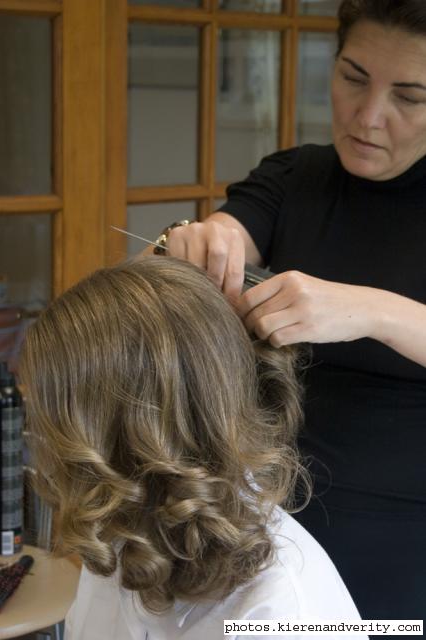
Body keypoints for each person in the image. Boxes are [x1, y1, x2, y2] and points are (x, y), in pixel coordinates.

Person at [152, 0, 426, 627]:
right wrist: (200, 242)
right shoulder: (296, 177)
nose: (368, 115)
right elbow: (228, 233)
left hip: (407, 547)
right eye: (354, 77)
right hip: (269, 533)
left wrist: (368, 310)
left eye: (409, 97)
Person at [20, 257, 366, 640]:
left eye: (50, 419)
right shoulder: (127, 532)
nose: (42, 439)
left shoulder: (282, 615)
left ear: (123, 439)